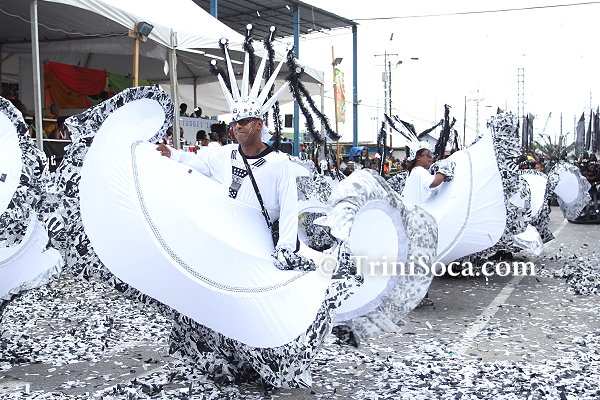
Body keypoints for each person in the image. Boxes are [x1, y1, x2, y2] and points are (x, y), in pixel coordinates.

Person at [156, 117, 313, 271]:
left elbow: (288, 207)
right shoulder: (227, 153)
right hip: (229, 244)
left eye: (244, 121)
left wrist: (285, 247)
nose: (237, 126)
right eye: (234, 123)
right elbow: (203, 164)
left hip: (261, 250)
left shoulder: (278, 162)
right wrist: (173, 154)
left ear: (259, 124)